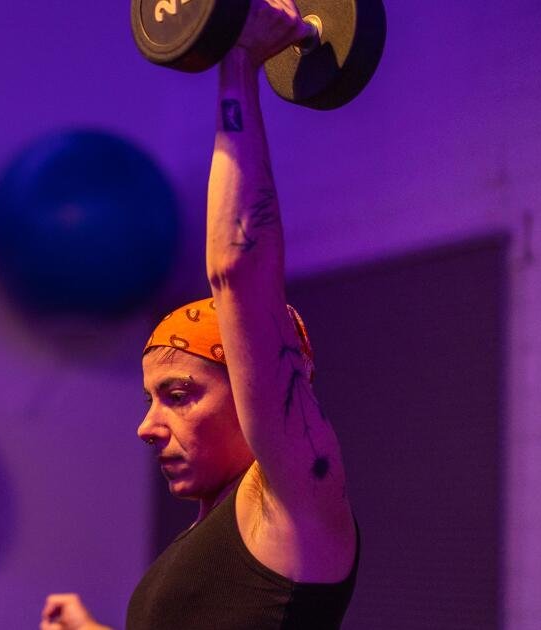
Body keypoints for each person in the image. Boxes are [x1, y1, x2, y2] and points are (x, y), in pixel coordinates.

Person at [40, 1, 359, 628]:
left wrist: (238, 60)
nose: (146, 427)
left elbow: (239, 270)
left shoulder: (293, 497)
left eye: (179, 395)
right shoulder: (216, 521)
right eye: (152, 399)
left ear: (251, 385)